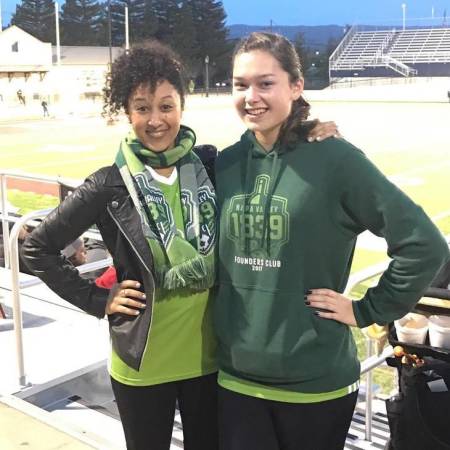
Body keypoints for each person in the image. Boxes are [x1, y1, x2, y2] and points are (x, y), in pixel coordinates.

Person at [22, 40, 338, 450]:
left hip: (210, 361)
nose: (155, 120)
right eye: (142, 108)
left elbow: (266, 150)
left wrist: (303, 129)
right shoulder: (109, 184)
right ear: (126, 112)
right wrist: (98, 301)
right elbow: (37, 248)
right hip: (144, 363)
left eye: (166, 106)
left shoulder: (208, 164)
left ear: (181, 107)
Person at [213, 32, 450, 450]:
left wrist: (367, 310)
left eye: (266, 83)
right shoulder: (225, 164)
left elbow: (424, 244)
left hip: (315, 383)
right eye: (240, 84)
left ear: (296, 86)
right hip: (235, 380)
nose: (251, 96)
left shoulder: (335, 159)